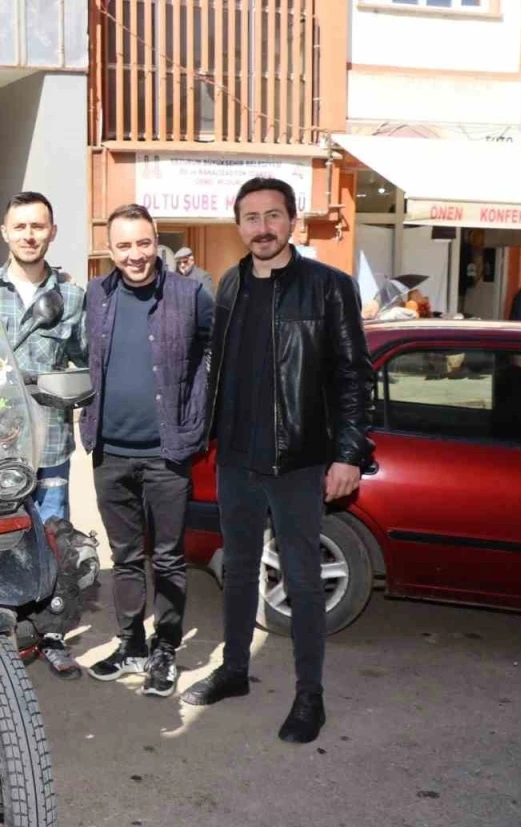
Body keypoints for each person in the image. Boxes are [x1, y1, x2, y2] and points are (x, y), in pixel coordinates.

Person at [180, 177, 374, 745]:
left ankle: (310, 696)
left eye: (272, 216)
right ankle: (235, 670)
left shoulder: (329, 287)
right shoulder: (231, 283)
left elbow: (354, 376)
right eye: (251, 217)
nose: (262, 228)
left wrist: (348, 454)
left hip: (300, 459)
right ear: (238, 225)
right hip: (237, 458)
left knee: (303, 579)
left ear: (293, 220)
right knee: (238, 570)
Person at [81, 204, 214, 698]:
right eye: (124, 245)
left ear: (156, 241)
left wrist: (200, 407)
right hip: (109, 450)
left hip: (167, 453)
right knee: (125, 556)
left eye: (143, 243)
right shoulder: (96, 295)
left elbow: (216, 352)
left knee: (169, 557)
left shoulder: (190, 295)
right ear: (109, 249)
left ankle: (165, 648)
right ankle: (131, 642)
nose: (135, 255)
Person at [0, 191, 90, 679]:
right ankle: (1, 630)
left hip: (51, 443)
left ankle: (52, 632)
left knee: (53, 536)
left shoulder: (73, 297)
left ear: (52, 232)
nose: (29, 235)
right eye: (20, 226)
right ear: (5, 232)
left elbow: (84, 362)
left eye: (38, 226)